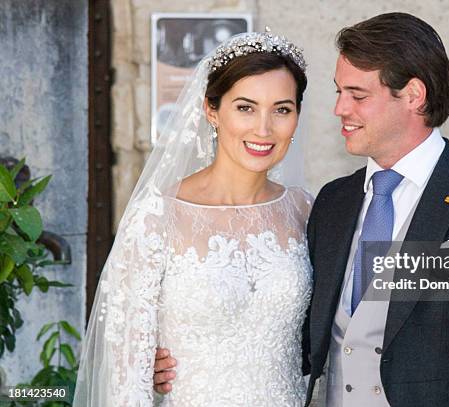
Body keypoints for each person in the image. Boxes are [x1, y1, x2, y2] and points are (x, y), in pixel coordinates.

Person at [154, 12, 449, 406]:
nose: (339, 109)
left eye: (357, 95)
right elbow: (292, 333)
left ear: (413, 95)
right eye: (339, 91)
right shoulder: (332, 203)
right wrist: (183, 357)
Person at [73, 30, 313, 406]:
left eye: (281, 109)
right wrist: (143, 368)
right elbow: (123, 372)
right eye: (245, 107)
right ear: (212, 110)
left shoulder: (305, 210)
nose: (264, 129)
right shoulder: (158, 216)